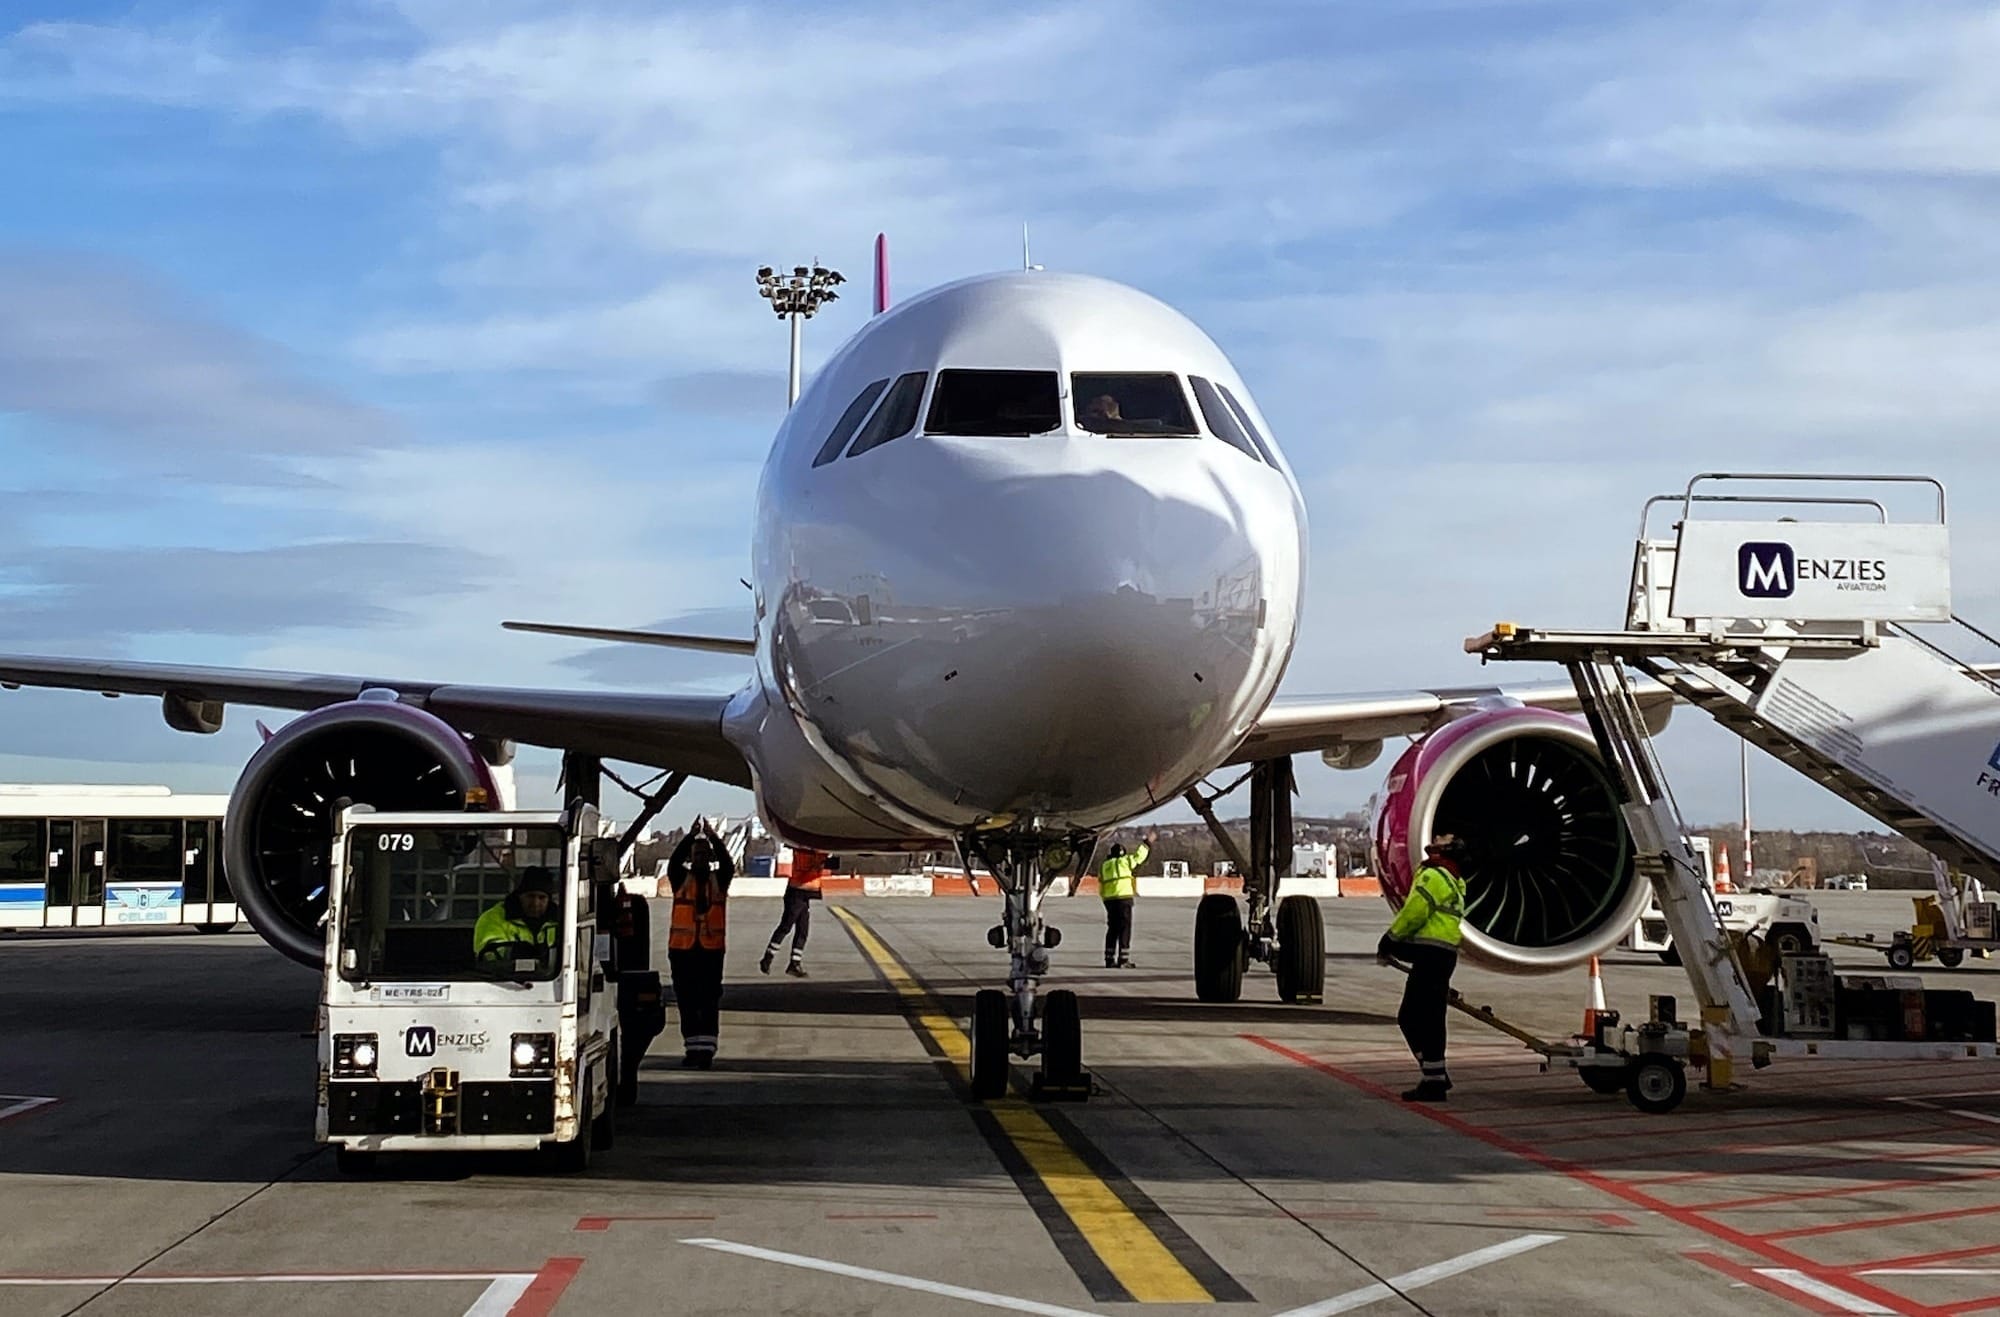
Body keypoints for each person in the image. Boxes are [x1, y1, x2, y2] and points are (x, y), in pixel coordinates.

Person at [1377, 833, 1469, 1103]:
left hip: (1430, 954)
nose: (1437, 835)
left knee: (1412, 1017)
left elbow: (1414, 912)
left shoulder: (1434, 876)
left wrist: (1390, 939)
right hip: (1442, 954)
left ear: (1447, 848)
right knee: (1431, 1017)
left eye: (1444, 836)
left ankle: (1434, 1081)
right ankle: (1435, 1075)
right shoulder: (1454, 879)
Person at [667, 819, 734, 1069]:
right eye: (697, 854)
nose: (701, 859)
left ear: (711, 857)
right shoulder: (680, 878)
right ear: (691, 857)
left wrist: (714, 837)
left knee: (708, 1001)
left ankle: (706, 1051)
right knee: (687, 1001)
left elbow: (727, 864)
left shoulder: (720, 879)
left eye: (705, 855)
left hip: (710, 951)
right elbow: (674, 863)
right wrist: (690, 837)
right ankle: (692, 1049)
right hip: (683, 949)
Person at [761, 848, 831, 977]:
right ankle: (768, 957)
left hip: (806, 892)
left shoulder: (819, 851)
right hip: (796, 891)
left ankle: (794, 963)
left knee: (802, 929)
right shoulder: (803, 850)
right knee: (786, 926)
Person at [473, 867, 560, 963]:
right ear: (519, 896)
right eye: (530, 896)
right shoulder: (493, 918)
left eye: (542, 898)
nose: (535, 903)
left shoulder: (562, 921)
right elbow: (488, 955)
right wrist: (514, 952)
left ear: (549, 900)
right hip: (504, 972)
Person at [1098, 832, 1153, 968]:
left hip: (1109, 900)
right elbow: (1139, 856)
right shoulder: (1126, 861)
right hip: (1124, 899)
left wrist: (1104, 898)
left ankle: (1109, 959)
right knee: (1124, 929)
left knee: (1112, 929)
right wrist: (1147, 843)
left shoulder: (1105, 866)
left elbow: (1101, 883)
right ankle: (1123, 960)